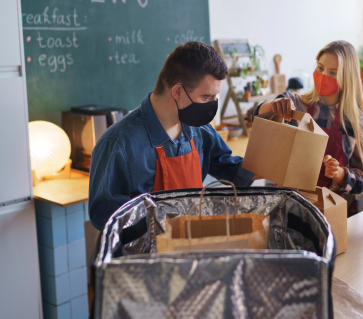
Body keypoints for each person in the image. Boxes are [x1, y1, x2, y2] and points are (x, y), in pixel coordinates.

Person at [88, 41, 253, 230]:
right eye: (207, 97)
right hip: (147, 256)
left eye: (216, 97)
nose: (213, 104)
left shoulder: (200, 131)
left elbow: (233, 171)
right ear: (177, 91)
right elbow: (106, 218)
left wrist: (271, 121)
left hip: (190, 247)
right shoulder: (118, 144)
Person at [255, 40, 363, 197]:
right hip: (284, 202)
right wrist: (274, 105)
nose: (323, 76)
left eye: (333, 72)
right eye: (320, 68)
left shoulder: (358, 124)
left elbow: (362, 181)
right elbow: (256, 116)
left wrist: (338, 173)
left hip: (325, 210)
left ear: (347, 78)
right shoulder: (295, 104)